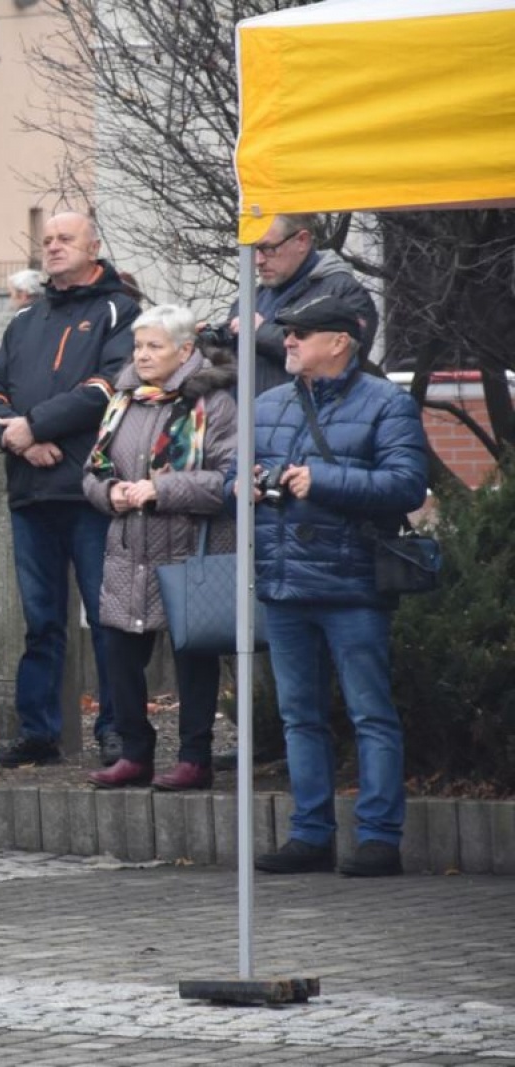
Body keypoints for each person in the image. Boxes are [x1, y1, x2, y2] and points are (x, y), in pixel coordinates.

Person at [245, 293, 427, 878]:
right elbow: (230, 475)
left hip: (353, 587)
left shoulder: (387, 403)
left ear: (339, 342)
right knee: (300, 717)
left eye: (300, 334)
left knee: (370, 713)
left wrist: (318, 480)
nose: (288, 342)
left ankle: (378, 838)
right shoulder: (267, 403)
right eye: (287, 333)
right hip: (284, 585)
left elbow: (405, 486)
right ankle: (310, 834)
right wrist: (242, 486)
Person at [0, 211, 138, 768]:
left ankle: (117, 732)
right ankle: (39, 734)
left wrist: (36, 426)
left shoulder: (120, 309)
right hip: (31, 491)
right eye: (47, 241)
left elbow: (109, 388)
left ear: (94, 246)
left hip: (92, 493)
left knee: (106, 617)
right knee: (41, 621)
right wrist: (18, 440)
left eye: (65, 238)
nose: (53, 247)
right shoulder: (25, 321)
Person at [81, 305, 236, 791]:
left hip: (189, 550)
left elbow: (230, 480)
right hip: (129, 550)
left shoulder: (214, 403)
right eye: (139, 346)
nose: (143, 356)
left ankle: (195, 758)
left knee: (194, 659)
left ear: (185, 350)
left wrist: (159, 490)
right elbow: (92, 469)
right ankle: (134, 753)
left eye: (155, 346)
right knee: (120, 655)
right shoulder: (124, 399)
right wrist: (111, 492)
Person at [231, 213, 376, 395]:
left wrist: (262, 332)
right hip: (250, 421)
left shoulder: (344, 292)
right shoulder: (251, 298)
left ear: (302, 241)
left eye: (268, 249)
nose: (258, 260)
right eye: (253, 249)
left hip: (313, 419)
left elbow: (346, 357)